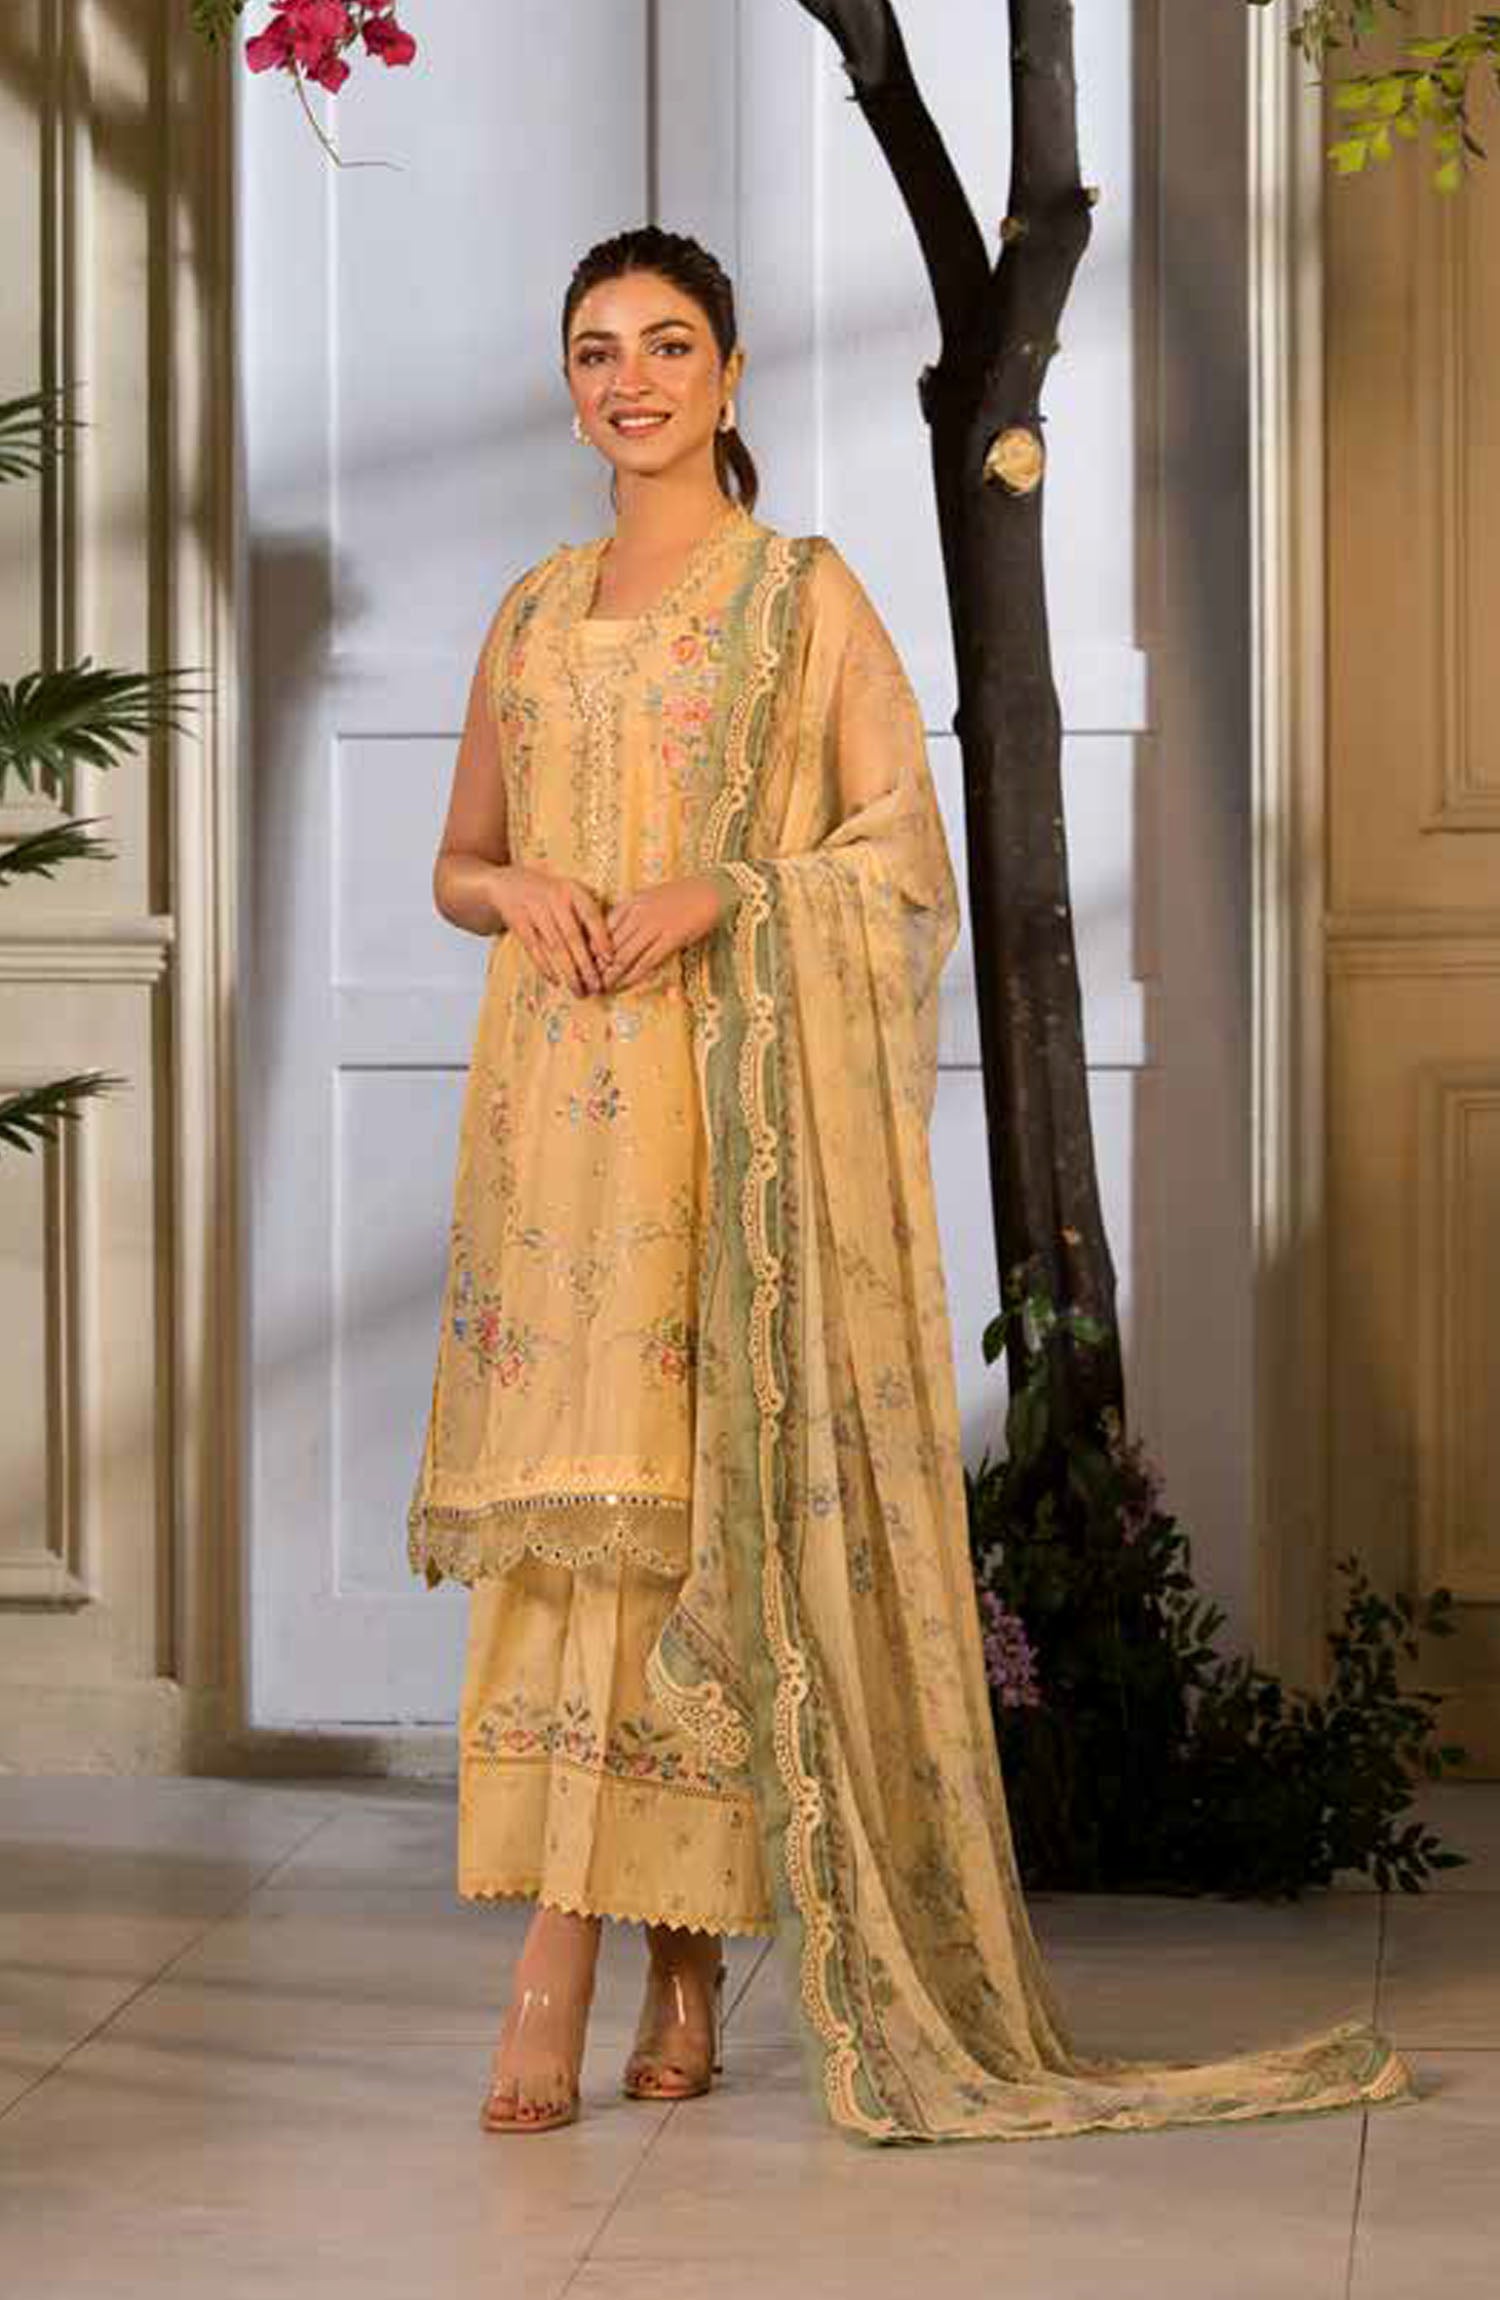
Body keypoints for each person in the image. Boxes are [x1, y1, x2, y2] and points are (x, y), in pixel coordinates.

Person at [407, 224, 1417, 2145]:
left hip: (727, 1126)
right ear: (570, 384)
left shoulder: (801, 598)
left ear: (731, 372)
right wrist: (515, 887)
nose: (631, 380)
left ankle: (609, 1957)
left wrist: (727, 890)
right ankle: (639, 1951)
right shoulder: (531, 613)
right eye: (598, 350)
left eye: (669, 344)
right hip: (555, 1137)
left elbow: (901, 865)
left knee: (704, 1527)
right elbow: (460, 860)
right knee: (579, 1535)